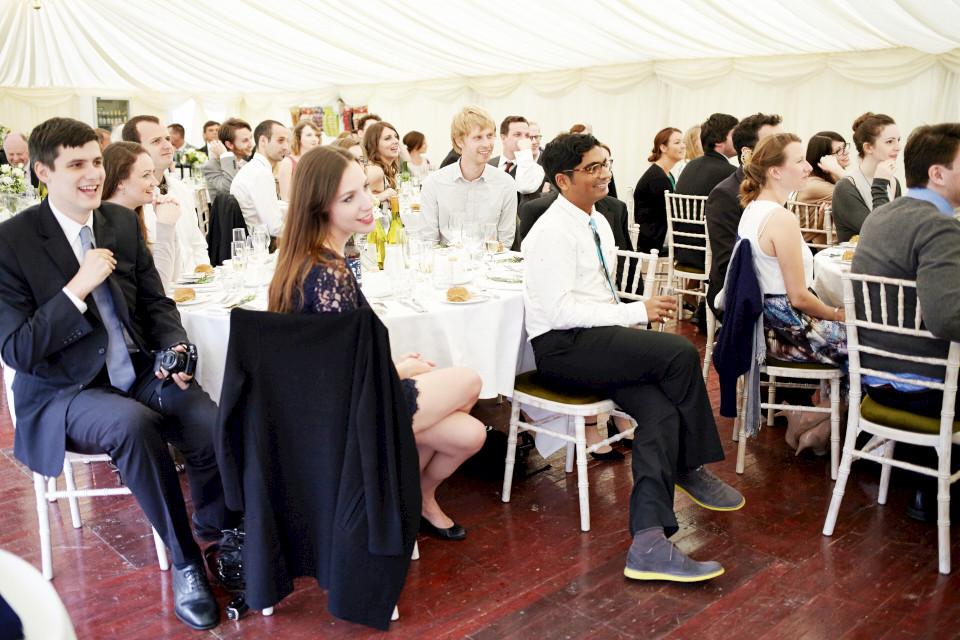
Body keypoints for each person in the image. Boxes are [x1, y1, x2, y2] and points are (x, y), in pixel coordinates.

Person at [0, 117, 228, 630]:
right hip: (65, 391)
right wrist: (76, 289)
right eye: (76, 164)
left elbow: (156, 302)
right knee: (133, 426)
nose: (92, 175)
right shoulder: (11, 242)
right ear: (42, 172)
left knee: (204, 417)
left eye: (96, 161)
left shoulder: (120, 223)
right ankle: (187, 562)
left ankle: (217, 527)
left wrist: (175, 348)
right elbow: (17, 350)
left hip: (138, 369)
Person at [523, 132, 743, 582]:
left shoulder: (598, 220)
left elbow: (598, 296)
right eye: (593, 168)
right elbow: (557, 312)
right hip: (563, 349)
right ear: (563, 180)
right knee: (682, 350)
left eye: (606, 163)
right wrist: (635, 311)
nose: (605, 173)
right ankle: (689, 465)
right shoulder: (549, 232)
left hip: (598, 342)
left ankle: (648, 543)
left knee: (660, 414)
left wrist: (627, 321)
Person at [268, 146, 486, 540]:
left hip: (347, 399)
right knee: (469, 381)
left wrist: (392, 366)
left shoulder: (312, 259)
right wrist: (398, 370)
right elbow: (337, 374)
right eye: (349, 198)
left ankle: (416, 496)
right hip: (348, 413)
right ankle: (398, 495)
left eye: (365, 190)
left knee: (472, 434)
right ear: (319, 208)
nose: (368, 203)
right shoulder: (327, 273)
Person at [852, 122, 960, 523]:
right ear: (938, 173)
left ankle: (924, 486)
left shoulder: (880, 218)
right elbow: (948, 318)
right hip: (925, 390)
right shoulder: (940, 226)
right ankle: (935, 489)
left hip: (875, 380)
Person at [737, 133, 847, 454]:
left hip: (766, 327)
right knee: (873, 348)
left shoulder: (754, 209)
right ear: (774, 171)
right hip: (786, 331)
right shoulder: (780, 217)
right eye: (799, 160)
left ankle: (814, 423)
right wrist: (839, 315)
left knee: (861, 340)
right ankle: (824, 422)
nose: (808, 166)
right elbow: (798, 298)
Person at [705, 113, 783, 318]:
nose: (782, 151)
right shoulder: (725, 194)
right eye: (773, 144)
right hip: (741, 294)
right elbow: (728, 264)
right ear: (747, 153)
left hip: (777, 285)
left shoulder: (777, 190)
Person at [121, 116, 210, 284]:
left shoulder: (181, 189)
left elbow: (197, 243)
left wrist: (205, 281)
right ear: (135, 149)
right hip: (158, 292)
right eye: (156, 141)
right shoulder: (130, 200)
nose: (168, 146)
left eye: (168, 139)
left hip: (196, 290)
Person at [420, 105, 517, 248]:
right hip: (448, 264)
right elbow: (428, 242)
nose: (487, 144)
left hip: (490, 266)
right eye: (478, 137)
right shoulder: (434, 184)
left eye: (489, 136)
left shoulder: (506, 184)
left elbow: (505, 242)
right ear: (459, 141)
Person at [101, 142, 185, 289]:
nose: (155, 182)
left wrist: (171, 227)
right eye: (146, 175)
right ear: (120, 182)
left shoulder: (132, 217)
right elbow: (158, 288)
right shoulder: (107, 227)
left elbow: (174, 276)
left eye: (153, 173)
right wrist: (165, 226)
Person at [832, 112, 902, 242]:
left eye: (898, 140)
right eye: (889, 141)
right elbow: (880, 232)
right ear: (868, 147)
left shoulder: (893, 182)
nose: (898, 147)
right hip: (855, 260)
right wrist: (880, 183)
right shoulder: (846, 186)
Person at [231, 119, 291, 238]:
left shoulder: (253, 168)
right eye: (280, 141)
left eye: (287, 141)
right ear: (263, 141)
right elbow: (275, 228)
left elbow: (270, 206)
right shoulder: (260, 173)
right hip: (260, 245)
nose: (286, 147)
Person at [632, 127, 684, 253]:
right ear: (663, 148)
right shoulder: (657, 178)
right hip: (652, 240)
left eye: (683, 142)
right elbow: (671, 214)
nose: (683, 146)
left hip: (659, 234)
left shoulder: (665, 174)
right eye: (677, 142)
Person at [489, 116, 546, 207]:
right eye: (517, 135)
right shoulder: (489, 164)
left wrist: (525, 152)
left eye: (527, 136)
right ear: (503, 138)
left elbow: (525, 187)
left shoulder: (535, 169)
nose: (524, 139)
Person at [203, 117, 253, 200]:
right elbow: (230, 189)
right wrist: (225, 155)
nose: (251, 144)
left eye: (250, 138)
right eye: (245, 141)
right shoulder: (212, 166)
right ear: (229, 144)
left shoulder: (246, 164)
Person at [796, 131, 850, 205]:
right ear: (823, 158)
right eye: (838, 150)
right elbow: (861, 196)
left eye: (844, 147)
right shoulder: (815, 185)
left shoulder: (832, 179)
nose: (847, 152)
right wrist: (836, 169)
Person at [278, 119, 321, 201]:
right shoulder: (288, 162)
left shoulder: (318, 161)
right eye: (309, 135)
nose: (314, 139)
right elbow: (285, 197)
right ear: (298, 138)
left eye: (316, 135)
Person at [363, 121, 401, 201]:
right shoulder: (375, 171)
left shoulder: (384, 168)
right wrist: (379, 197)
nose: (396, 141)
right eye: (387, 138)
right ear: (374, 145)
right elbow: (353, 202)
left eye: (395, 136)